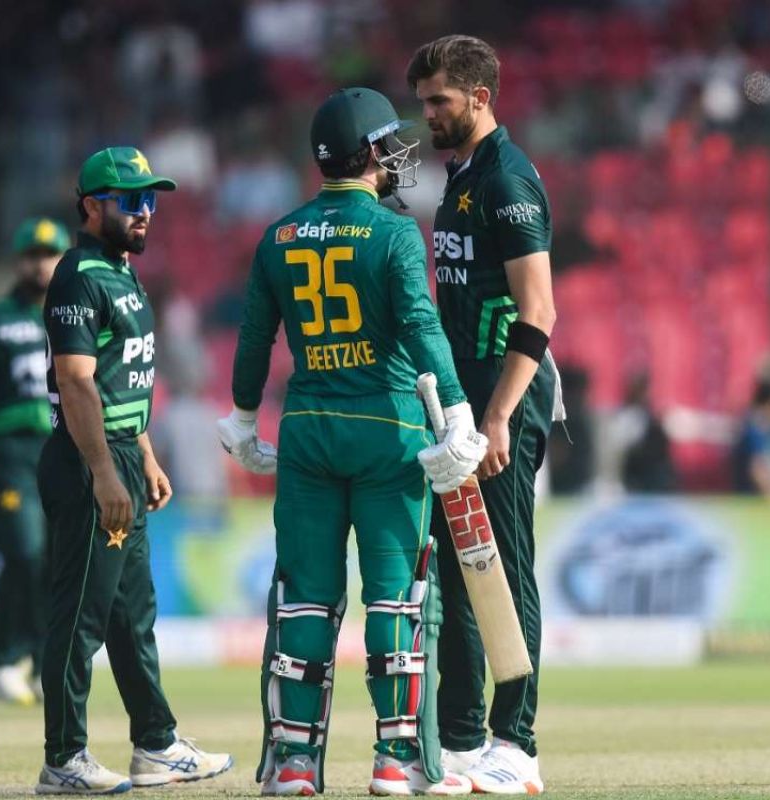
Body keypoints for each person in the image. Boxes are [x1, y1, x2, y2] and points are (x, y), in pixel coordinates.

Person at [218, 87, 488, 796]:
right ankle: (397, 762)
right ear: (367, 154)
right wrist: (457, 413)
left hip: (306, 429)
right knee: (397, 600)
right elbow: (423, 330)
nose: (401, 153)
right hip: (388, 429)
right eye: (390, 143)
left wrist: (245, 421)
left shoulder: (277, 235)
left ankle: (294, 765)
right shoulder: (396, 233)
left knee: (305, 599)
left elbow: (254, 341)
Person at [36, 146, 232, 794]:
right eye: (130, 200)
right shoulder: (79, 276)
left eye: (151, 199)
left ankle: (156, 745)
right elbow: (75, 382)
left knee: (131, 616)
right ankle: (63, 758)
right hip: (87, 459)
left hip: (120, 454)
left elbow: (127, 381)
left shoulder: (123, 273)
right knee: (81, 617)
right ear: (92, 205)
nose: (146, 212)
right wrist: (103, 471)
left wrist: (143, 455)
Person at [407, 36, 562, 794]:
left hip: (506, 401)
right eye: (424, 102)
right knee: (460, 570)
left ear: (479, 96)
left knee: (503, 564)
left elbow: (538, 313)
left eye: (439, 101)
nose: (428, 114)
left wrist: (499, 416)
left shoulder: (506, 180)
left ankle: (517, 743)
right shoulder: (461, 177)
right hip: (459, 405)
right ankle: (465, 742)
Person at [0, 216, 71, 705]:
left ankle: (45, 662)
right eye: (33, 255)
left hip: (62, 449)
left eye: (50, 255)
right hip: (9, 452)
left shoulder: (74, 315)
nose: (41, 264)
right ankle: (4, 656)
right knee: (24, 551)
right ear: (19, 261)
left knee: (54, 558)